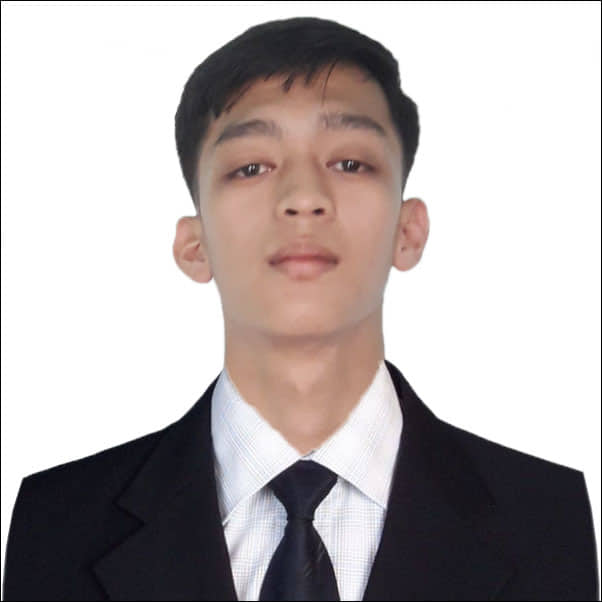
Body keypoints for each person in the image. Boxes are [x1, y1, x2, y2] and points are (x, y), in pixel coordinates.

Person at [2, 16, 599, 601]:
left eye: (350, 163)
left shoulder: (550, 521)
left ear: (408, 230)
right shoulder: (54, 526)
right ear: (194, 244)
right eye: (251, 167)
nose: (304, 197)